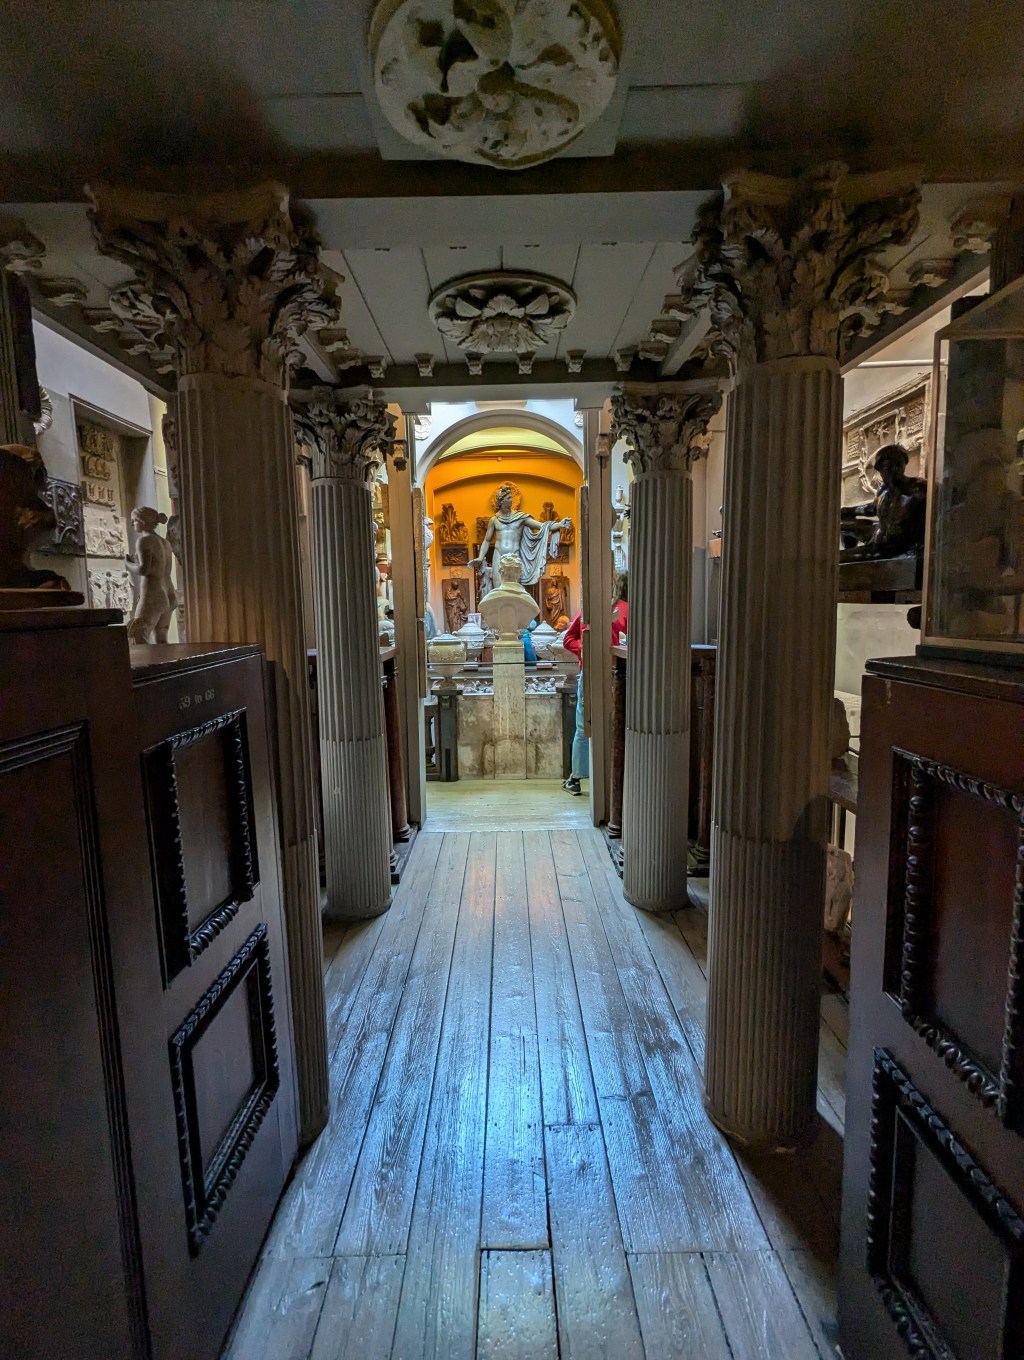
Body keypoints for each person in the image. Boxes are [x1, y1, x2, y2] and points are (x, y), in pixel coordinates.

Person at [470, 482, 570, 594]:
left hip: (514, 556)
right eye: (508, 498)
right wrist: (480, 557)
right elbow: (487, 540)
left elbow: (542, 526)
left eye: (511, 497)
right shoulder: (494, 520)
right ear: (501, 501)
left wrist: (559, 524)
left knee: (514, 590)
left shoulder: (520, 517)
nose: (511, 500)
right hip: (498, 554)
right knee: (498, 588)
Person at [561, 609, 588, 795]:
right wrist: (584, 649)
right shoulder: (587, 611)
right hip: (591, 670)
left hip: (621, 672)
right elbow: (568, 639)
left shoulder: (626, 609)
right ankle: (576, 776)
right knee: (584, 724)